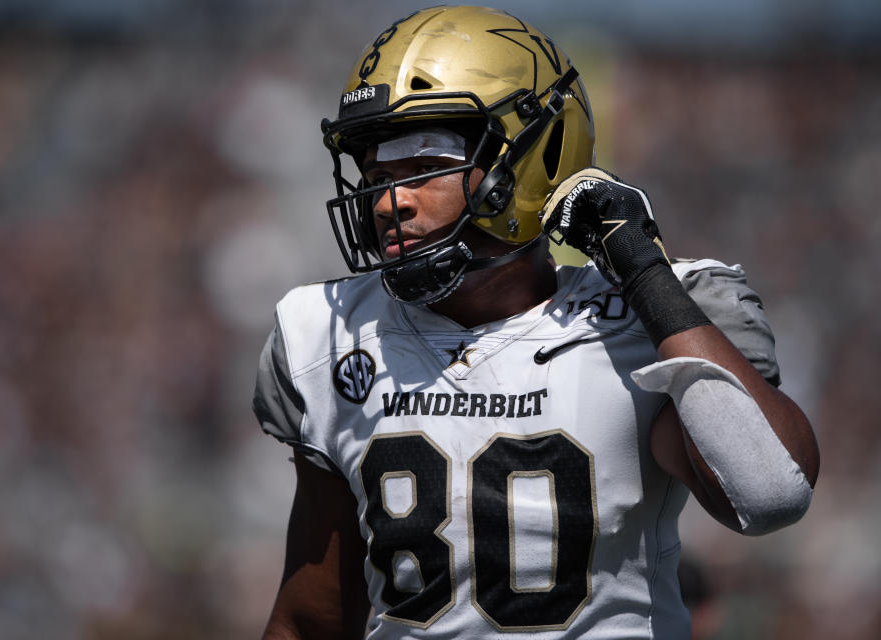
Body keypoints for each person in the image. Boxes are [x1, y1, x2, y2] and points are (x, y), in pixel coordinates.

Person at [253, 6, 819, 639]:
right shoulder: (325, 336)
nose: (391, 201)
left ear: (532, 156)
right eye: (378, 174)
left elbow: (770, 494)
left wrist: (643, 270)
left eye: (422, 167)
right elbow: (309, 619)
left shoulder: (648, 316)